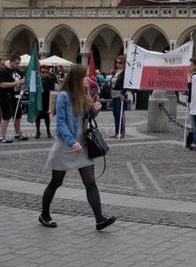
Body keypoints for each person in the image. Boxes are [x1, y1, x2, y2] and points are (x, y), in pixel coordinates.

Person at [39, 64, 115, 230]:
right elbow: (61, 124)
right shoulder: (63, 97)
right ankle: (44, 214)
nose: (89, 78)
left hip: (83, 144)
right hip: (66, 145)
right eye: (86, 76)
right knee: (56, 182)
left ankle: (99, 219)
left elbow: (86, 116)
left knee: (90, 182)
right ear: (77, 78)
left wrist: (94, 110)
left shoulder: (85, 93)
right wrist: (72, 142)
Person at [0, 54, 27, 143]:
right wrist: (18, 82)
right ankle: (1, 136)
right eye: (16, 63)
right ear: (11, 62)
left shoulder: (19, 72)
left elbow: (23, 82)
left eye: (19, 63)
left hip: (17, 97)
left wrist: (23, 84)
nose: (17, 65)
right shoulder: (4, 71)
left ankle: (18, 133)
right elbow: (2, 85)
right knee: (6, 117)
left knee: (18, 116)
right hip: (7, 97)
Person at [35, 65, 57, 139]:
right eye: (41, 72)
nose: (43, 73)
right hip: (38, 101)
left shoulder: (50, 80)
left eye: (44, 72)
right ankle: (37, 132)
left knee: (46, 117)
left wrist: (44, 91)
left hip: (46, 101)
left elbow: (52, 91)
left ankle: (48, 131)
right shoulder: (37, 80)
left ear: (47, 73)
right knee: (37, 117)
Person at [109, 55, 127, 139]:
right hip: (113, 94)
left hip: (120, 94)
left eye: (119, 62)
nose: (117, 64)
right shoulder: (116, 72)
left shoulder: (125, 73)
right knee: (115, 114)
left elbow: (126, 85)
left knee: (120, 114)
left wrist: (123, 93)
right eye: (116, 62)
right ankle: (116, 132)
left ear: (123, 63)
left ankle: (121, 132)